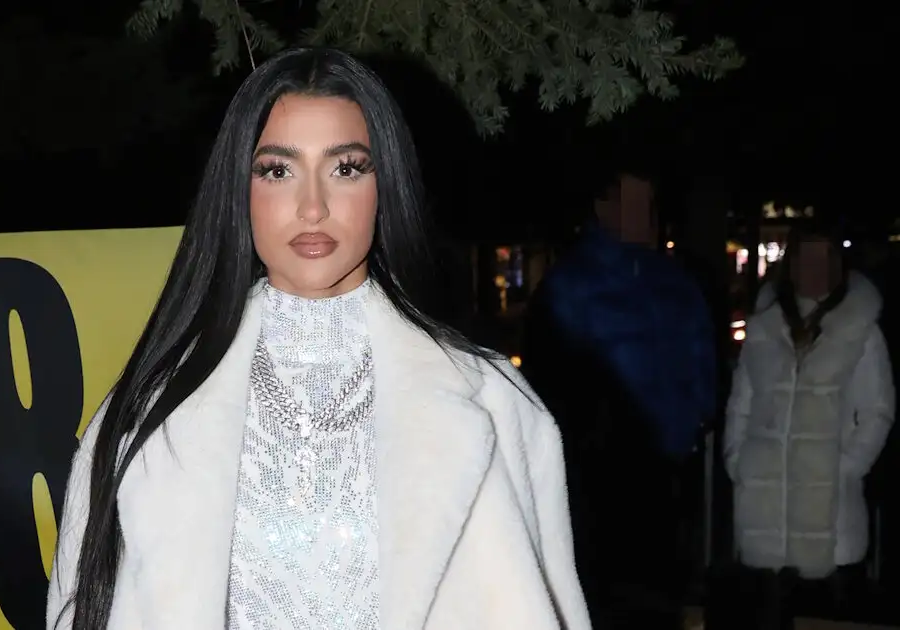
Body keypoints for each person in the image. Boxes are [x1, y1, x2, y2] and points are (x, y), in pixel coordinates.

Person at [45, 47, 590, 630]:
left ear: (385, 186)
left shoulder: (495, 405)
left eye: (346, 168)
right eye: (278, 170)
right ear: (239, 190)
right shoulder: (146, 416)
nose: (312, 207)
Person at [521, 175, 717, 629]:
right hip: (597, 480)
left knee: (660, 599)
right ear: (604, 207)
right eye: (634, 203)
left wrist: (690, 423)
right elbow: (548, 383)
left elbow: (701, 360)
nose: (645, 216)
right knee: (601, 601)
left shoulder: (674, 282)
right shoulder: (568, 286)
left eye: (649, 204)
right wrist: (588, 446)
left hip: (664, 474)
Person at [719, 223, 895, 628]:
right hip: (763, 513)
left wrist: (845, 469)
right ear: (792, 265)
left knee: (825, 616)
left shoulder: (860, 330)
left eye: (824, 259)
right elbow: (741, 402)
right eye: (807, 259)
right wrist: (738, 461)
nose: (815, 270)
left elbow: (878, 410)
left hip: (831, 516)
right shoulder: (764, 327)